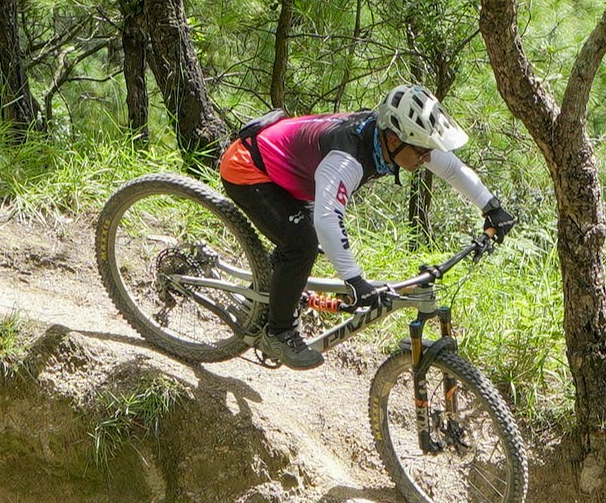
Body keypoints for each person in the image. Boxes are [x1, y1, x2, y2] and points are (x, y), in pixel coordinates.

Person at [214, 84, 512, 367]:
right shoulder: (348, 159)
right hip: (249, 167)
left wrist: (491, 207)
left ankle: (264, 292)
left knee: (305, 239)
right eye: (422, 152)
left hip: (289, 171)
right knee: (302, 244)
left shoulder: (389, 138)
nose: (426, 158)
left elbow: (450, 167)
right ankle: (279, 333)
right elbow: (328, 219)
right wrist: (355, 281)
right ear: (394, 140)